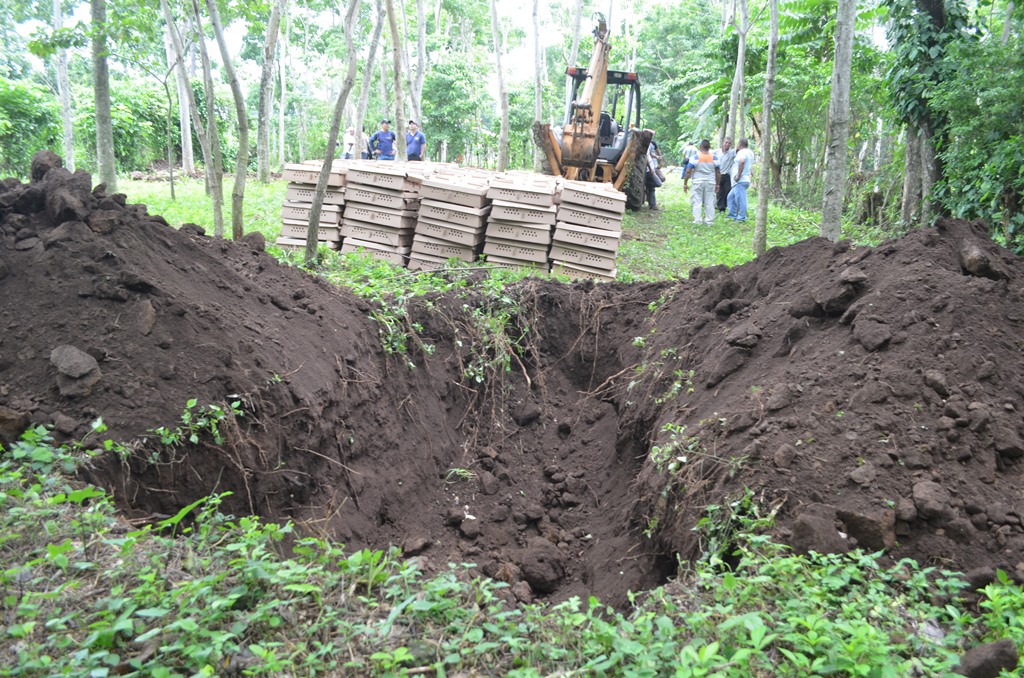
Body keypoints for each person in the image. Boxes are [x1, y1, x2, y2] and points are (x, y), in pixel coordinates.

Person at [683, 139, 720, 226]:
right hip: (710, 182)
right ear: (709, 147)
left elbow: (688, 171)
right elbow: (718, 172)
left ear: (700, 147)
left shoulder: (695, 158)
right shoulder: (715, 158)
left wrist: (685, 183)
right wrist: (717, 184)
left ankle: (697, 221)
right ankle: (709, 221)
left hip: (697, 182)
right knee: (709, 201)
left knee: (697, 201)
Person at [727, 138, 755, 222]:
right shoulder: (750, 152)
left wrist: (738, 175)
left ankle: (741, 218)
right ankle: (732, 215)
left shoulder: (742, 152)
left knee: (741, 199)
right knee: (731, 197)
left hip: (740, 180)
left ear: (739, 145)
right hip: (742, 180)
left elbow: (742, 161)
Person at [715, 137, 735, 213]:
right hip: (719, 175)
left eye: (729, 143)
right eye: (726, 142)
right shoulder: (717, 152)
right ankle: (721, 208)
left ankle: (726, 206)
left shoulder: (732, 152)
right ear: (723, 142)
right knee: (719, 192)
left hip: (727, 175)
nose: (727, 144)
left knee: (727, 192)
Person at [645, 137, 663, 210]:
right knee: (658, 183)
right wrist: (650, 169)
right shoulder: (644, 145)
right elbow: (646, 157)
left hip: (652, 167)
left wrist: (657, 157)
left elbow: (650, 154)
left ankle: (652, 205)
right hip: (649, 170)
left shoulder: (651, 144)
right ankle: (646, 184)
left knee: (652, 188)